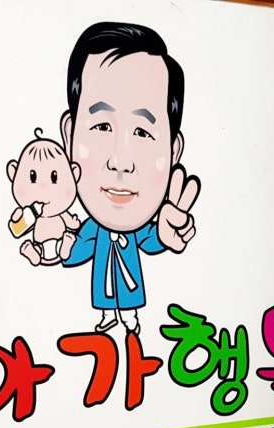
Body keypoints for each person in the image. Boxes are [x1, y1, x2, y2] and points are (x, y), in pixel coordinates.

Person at [60, 22, 200, 334]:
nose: (120, 162)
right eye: (102, 127)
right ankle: (109, 315)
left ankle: (130, 317)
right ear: (69, 136)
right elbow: (77, 249)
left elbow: (151, 240)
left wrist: (165, 234)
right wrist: (62, 246)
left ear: (173, 151)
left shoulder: (141, 231)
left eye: (142, 132)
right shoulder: (89, 229)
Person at [6, 128, 81, 266]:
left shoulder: (61, 213)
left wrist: (74, 223)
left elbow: (72, 223)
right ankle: (34, 253)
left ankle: (64, 247)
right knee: (37, 248)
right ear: (13, 173)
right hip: (39, 243)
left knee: (61, 245)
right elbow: (17, 229)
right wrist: (17, 218)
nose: (43, 187)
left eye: (54, 177)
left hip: (59, 239)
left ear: (74, 174)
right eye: (32, 177)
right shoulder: (30, 214)